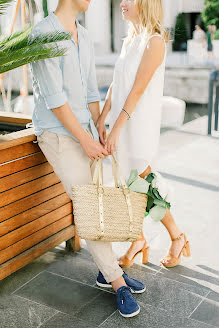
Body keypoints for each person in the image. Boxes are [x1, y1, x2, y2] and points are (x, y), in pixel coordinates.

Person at [29, 0, 146, 319]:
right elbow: (55, 99)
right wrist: (85, 141)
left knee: (96, 204)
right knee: (90, 205)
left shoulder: (83, 34)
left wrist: (101, 130)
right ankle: (117, 280)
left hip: (85, 132)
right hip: (56, 134)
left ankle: (105, 271)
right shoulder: (42, 34)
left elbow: (92, 92)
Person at [97, 0, 191, 269]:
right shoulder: (131, 39)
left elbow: (136, 90)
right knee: (126, 185)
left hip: (137, 126)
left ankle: (177, 237)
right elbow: (116, 85)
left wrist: (114, 129)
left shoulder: (155, 42)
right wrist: (103, 118)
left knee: (144, 183)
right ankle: (138, 240)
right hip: (120, 123)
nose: (122, 3)